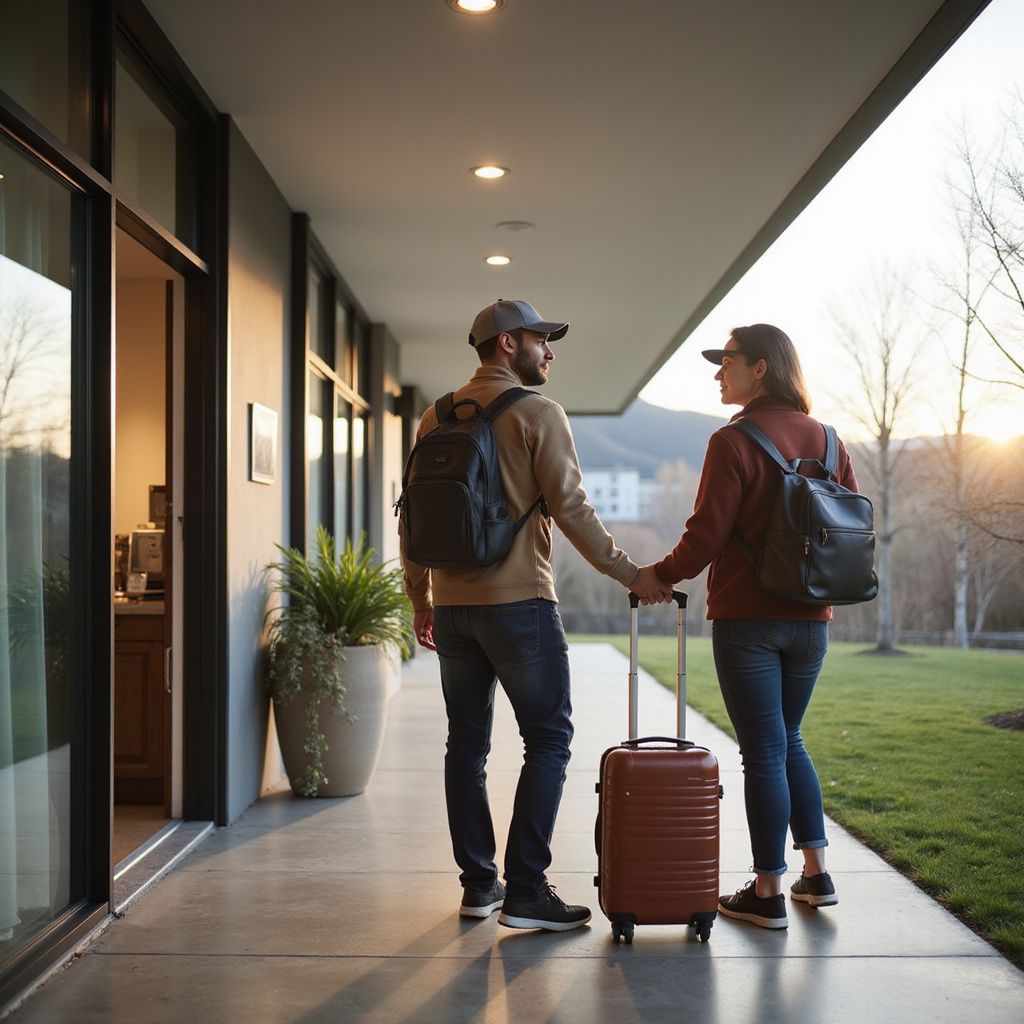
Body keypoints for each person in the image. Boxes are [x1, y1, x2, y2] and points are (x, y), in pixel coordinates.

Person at [401, 299, 671, 932]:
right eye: (540, 340)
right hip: (519, 604)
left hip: (453, 608)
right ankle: (526, 890)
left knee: (465, 745)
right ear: (505, 345)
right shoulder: (539, 413)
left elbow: (412, 515)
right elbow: (572, 508)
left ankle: (479, 887)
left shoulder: (431, 417)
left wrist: (421, 598)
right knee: (548, 738)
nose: (550, 351)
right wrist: (632, 574)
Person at [632, 323, 855, 929]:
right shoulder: (830, 441)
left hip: (748, 618)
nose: (716, 372)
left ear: (761, 368)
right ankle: (817, 873)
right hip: (812, 620)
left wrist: (658, 574)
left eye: (725, 361)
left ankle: (766, 892)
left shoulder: (731, 442)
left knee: (764, 751)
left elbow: (706, 534)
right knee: (789, 739)